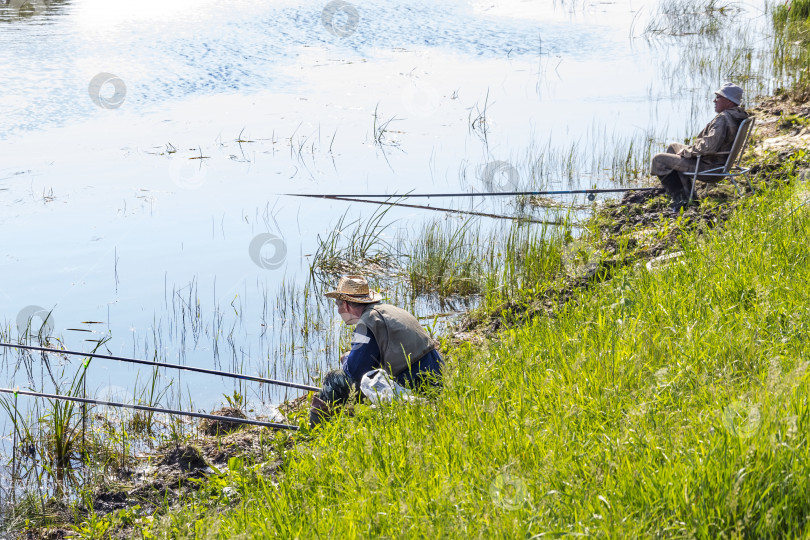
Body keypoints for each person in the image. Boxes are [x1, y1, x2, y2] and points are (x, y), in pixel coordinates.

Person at [309, 275, 443, 425]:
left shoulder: (367, 323)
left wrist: (346, 358)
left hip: (413, 384)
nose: (339, 311)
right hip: (437, 378)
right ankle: (343, 415)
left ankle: (315, 429)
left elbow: (354, 371)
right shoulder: (389, 310)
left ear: (346, 305)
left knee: (334, 378)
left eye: (337, 305)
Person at [650, 83, 749, 209]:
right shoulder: (738, 115)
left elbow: (708, 147)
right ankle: (690, 196)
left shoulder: (723, 119)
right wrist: (687, 151)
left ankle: (681, 201)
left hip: (710, 168)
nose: (714, 100)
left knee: (658, 160)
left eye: (718, 97)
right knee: (673, 147)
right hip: (719, 163)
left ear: (729, 101)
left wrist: (687, 152)